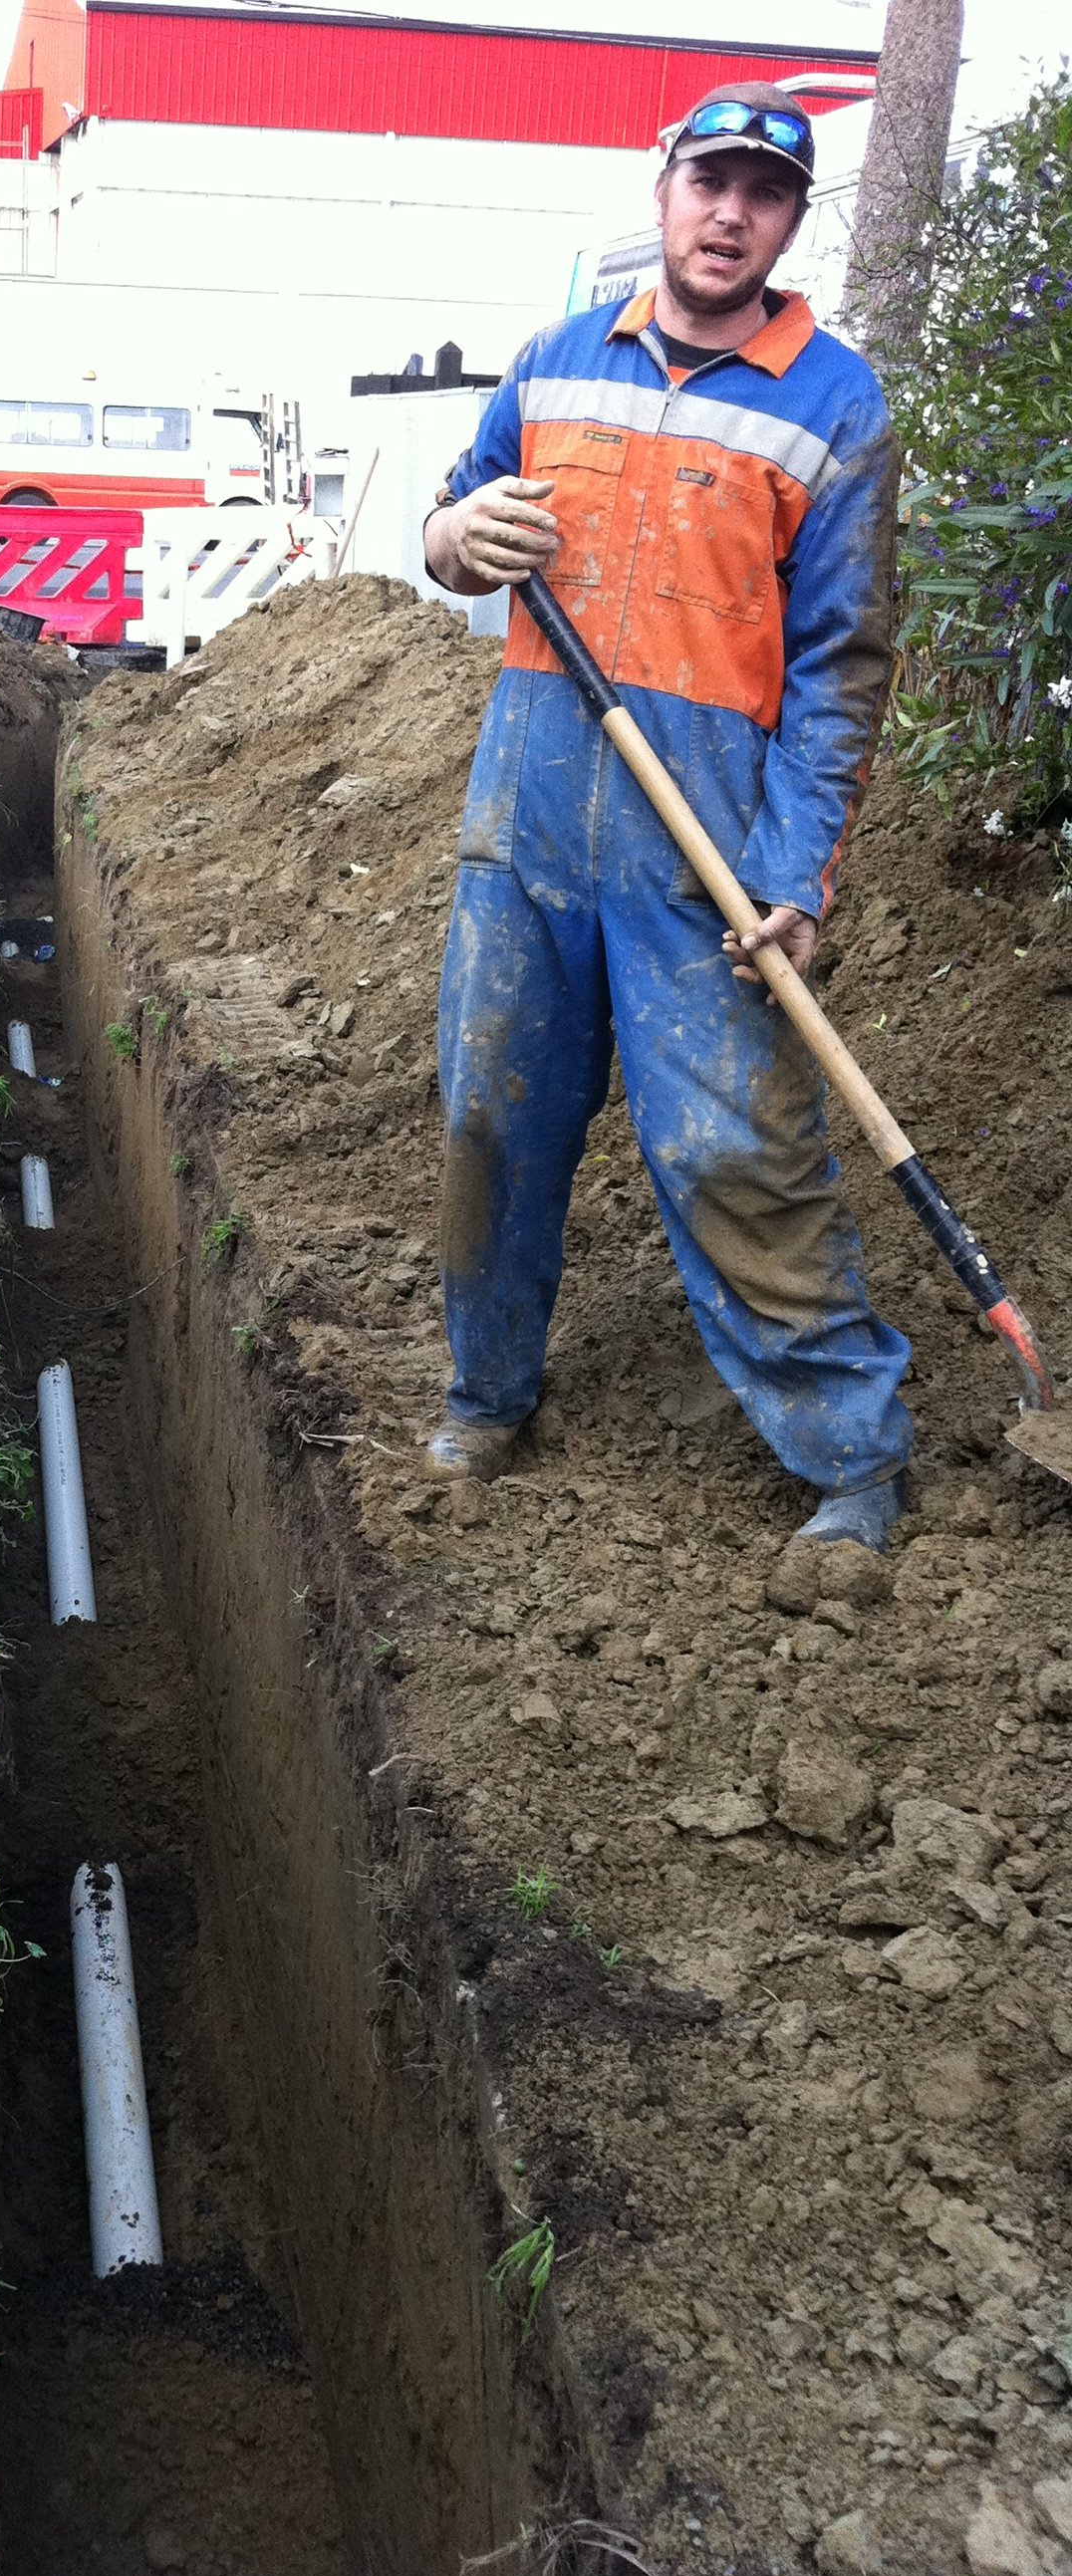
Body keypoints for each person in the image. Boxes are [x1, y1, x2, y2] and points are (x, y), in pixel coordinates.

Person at [418, 82, 913, 1550]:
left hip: (705, 849)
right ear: (666, 188)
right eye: (712, 180)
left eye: (762, 193)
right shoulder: (556, 363)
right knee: (489, 1115)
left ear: (787, 222)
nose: (728, 213)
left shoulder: (836, 405)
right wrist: (459, 536)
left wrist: (796, 877)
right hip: (527, 823)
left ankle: (851, 1458)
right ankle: (486, 1394)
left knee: (732, 1149)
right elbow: (451, 519)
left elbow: (841, 671)